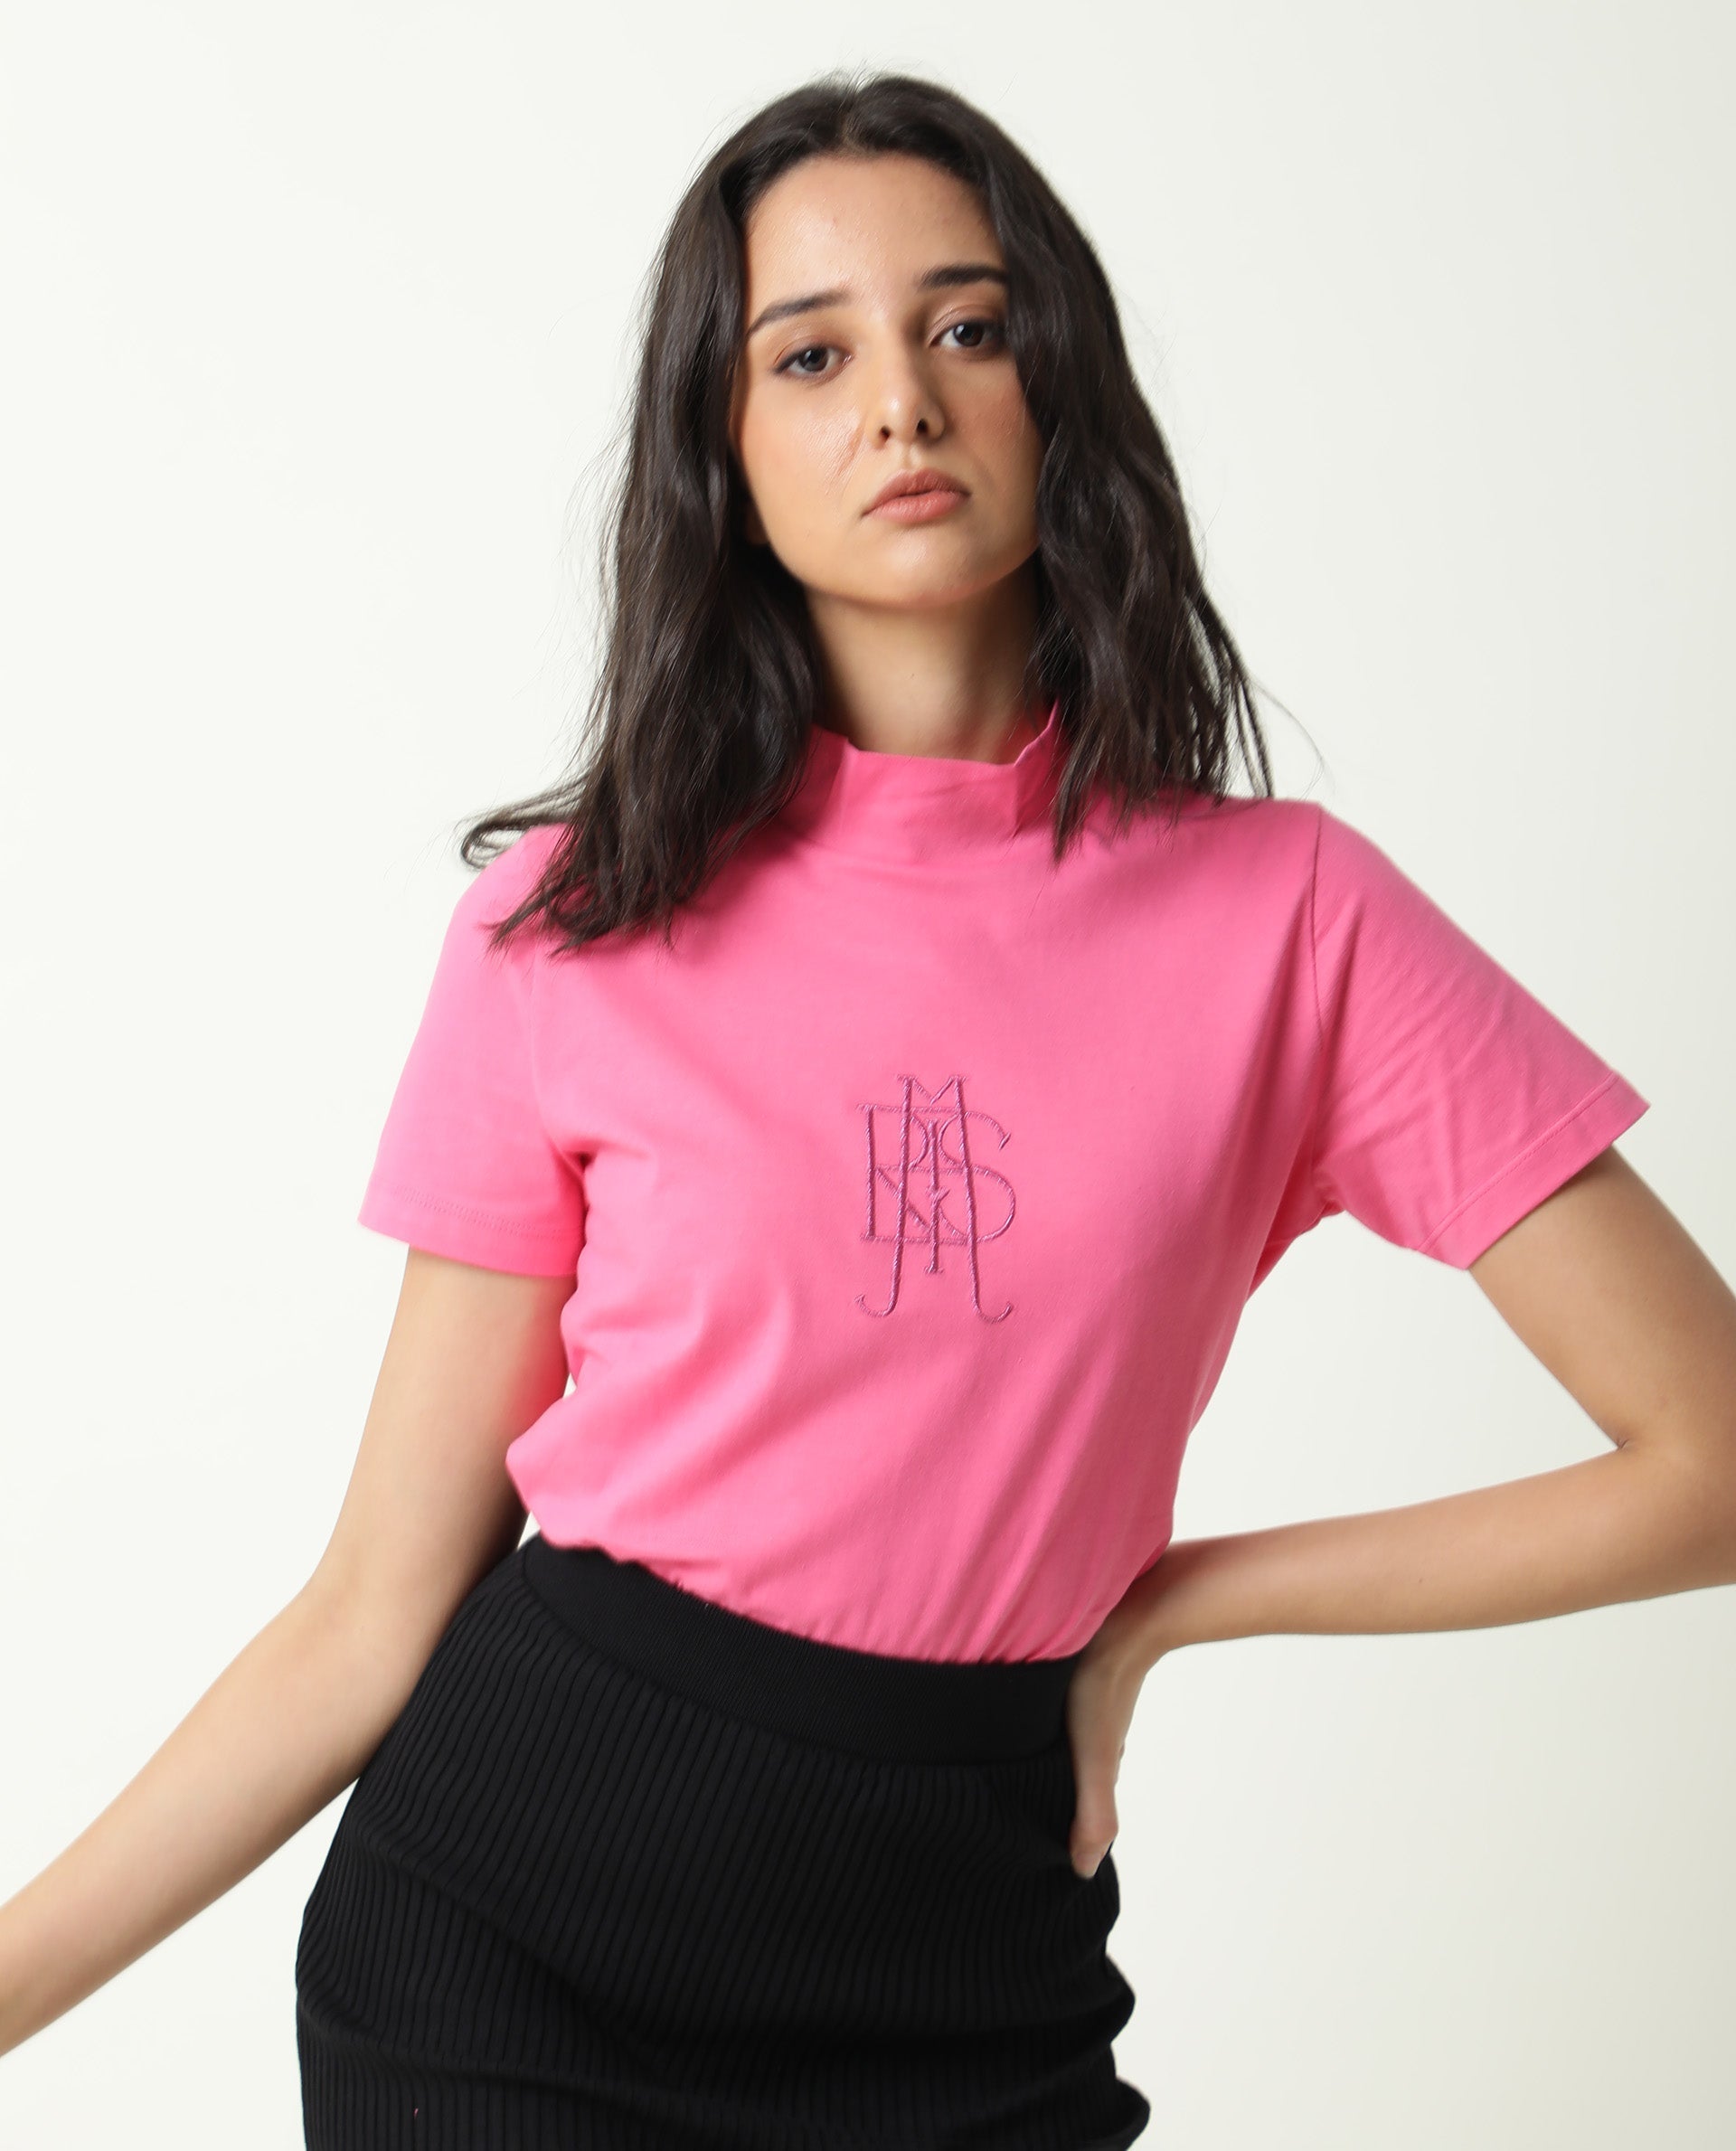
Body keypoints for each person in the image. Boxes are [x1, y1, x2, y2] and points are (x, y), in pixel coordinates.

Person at [5, 64, 1733, 2150]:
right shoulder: (572, 924)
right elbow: (374, 1604)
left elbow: (1710, 1456)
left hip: (978, 1974)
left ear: (1058, 388)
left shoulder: (1296, 919)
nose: (901, 403)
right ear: (723, 455)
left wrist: (1181, 1595)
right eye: (808, 356)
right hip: (515, 1951)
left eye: (967, 327)